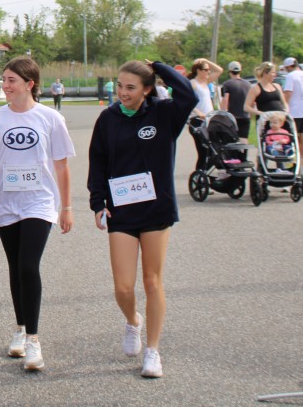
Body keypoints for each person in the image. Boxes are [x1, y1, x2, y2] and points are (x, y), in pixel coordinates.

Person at [87, 60, 195, 379]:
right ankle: (133, 320)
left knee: (152, 281)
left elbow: (189, 94)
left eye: (131, 87)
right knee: (123, 286)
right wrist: (97, 202)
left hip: (156, 210)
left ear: (148, 89)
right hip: (121, 210)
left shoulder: (165, 114)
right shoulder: (108, 118)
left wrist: (160, 67)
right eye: (119, 86)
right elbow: (98, 161)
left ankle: (153, 350)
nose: (123, 92)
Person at [0, 57, 75, 372]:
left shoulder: (50, 118)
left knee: (29, 265)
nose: (5, 86)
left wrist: (67, 207)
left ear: (30, 84)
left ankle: (33, 339)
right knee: (16, 266)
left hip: (39, 203)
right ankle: (20, 328)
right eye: (4, 80)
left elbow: (61, 165)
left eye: (11, 80)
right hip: (5, 204)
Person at [281, 57, 303, 176]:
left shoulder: (291, 76)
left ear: (289, 66)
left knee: (292, 138)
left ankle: (293, 163)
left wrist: (284, 108)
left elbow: (288, 93)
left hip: (294, 111)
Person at [186, 58, 223, 172]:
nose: (208, 72)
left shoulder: (206, 82)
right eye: (206, 70)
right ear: (198, 71)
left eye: (209, 70)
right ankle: (199, 176)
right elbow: (186, 101)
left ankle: (203, 174)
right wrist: (197, 112)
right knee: (203, 152)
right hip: (197, 121)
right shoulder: (193, 83)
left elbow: (219, 70)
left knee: (214, 151)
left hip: (208, 120)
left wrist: (205, 60)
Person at [244, 62, 287, 128]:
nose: (275, 75)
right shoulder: (256, 88)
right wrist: (261, 113)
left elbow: (284, 103)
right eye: (273, 72)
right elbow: (246, 107)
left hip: (280, 120)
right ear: (265, 73)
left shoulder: (277, 86)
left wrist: (286, 110)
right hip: (266, 122)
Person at [220, 62, 252, 140]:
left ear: (229, 71)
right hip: (245, 116)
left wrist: (222, 113)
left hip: (232, 117)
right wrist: (250, 114)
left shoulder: (227, 84)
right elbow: (252, 101)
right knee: (244, 139)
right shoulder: (248, 84)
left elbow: (225, 99)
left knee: (232, 139)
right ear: (240, 71)